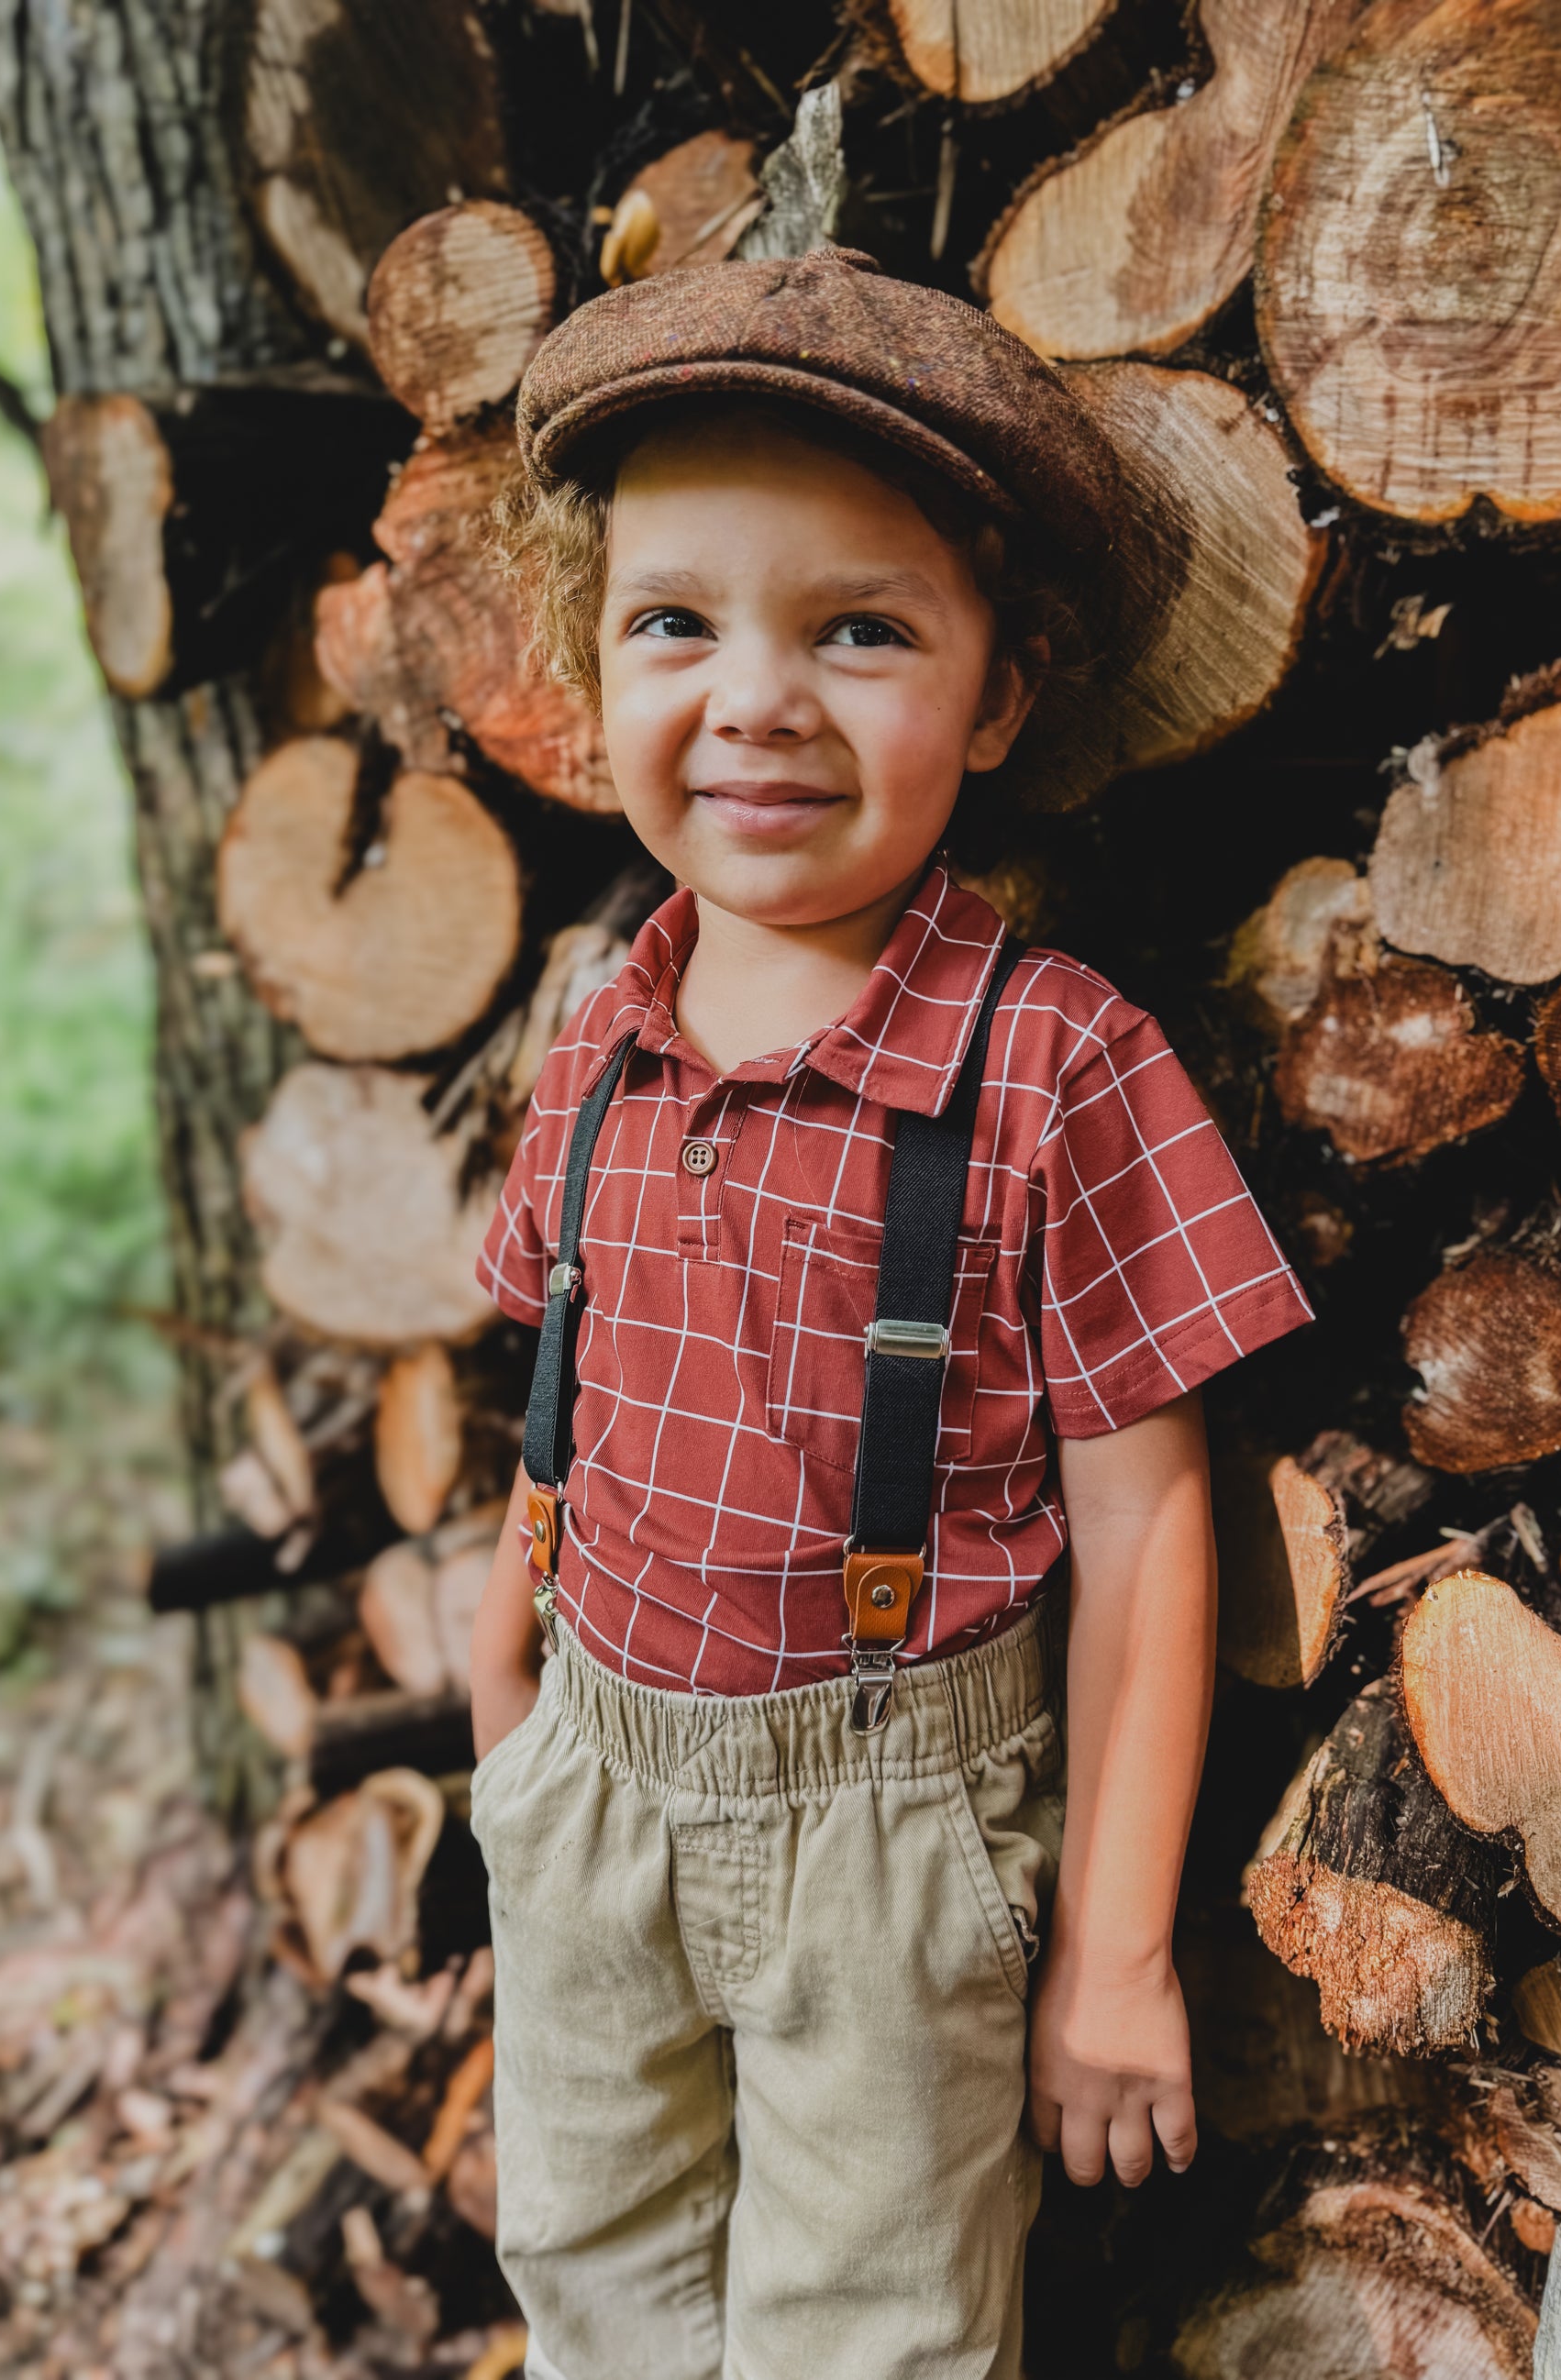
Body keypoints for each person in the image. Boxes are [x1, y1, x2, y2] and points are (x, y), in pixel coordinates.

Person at [464, 245, 1311, 2380]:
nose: (756, 698)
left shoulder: (1052, 1063)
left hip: (887, 1829)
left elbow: (1144, 1526)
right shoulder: (598, 1032)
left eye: (859, 628)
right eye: (675, 621)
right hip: (587, 1780)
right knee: (587, 2273)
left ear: (997, 696)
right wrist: (505, 1679)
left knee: (875, 2335)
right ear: (590, 658)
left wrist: (1110, 1947)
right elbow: (558, 1374)